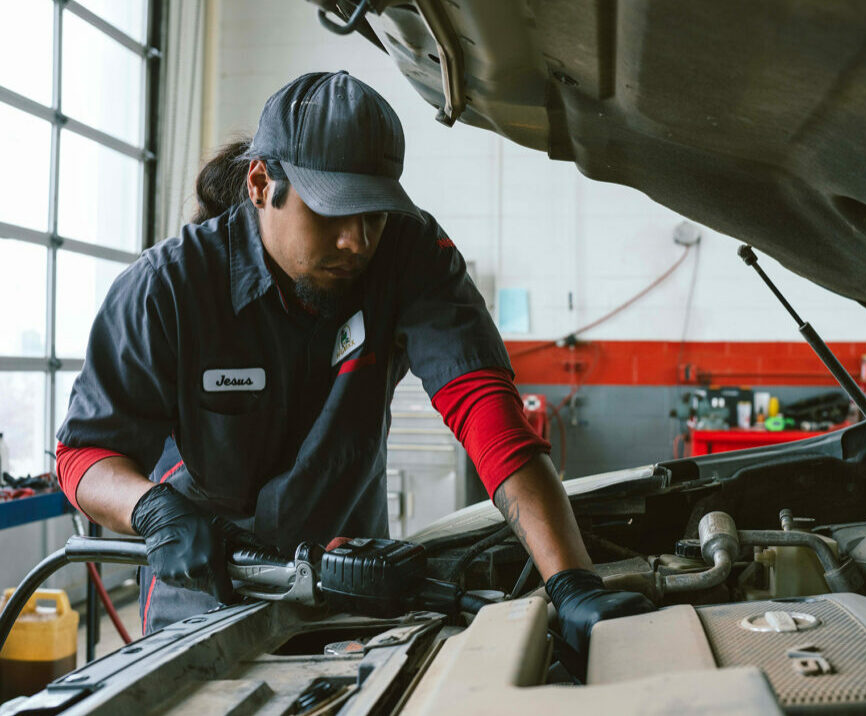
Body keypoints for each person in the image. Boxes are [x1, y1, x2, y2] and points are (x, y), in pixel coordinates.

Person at [55, 71, 652, 654]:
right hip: (207, 591)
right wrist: (153, 510)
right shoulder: (167, 290)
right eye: (332, 212)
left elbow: (487, 415)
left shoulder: (409, 255)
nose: (357, 242)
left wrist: (572, 584)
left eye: (373, 214)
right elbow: (83, 453)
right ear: (262, 184)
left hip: (354, 586)